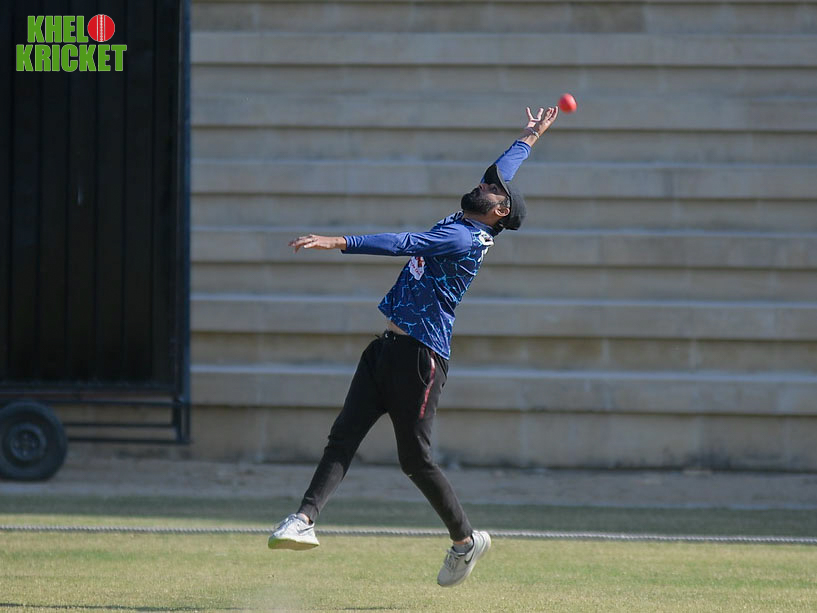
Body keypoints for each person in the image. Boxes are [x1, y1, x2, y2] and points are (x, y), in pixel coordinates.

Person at [269, 105, 560, 587]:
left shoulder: (464, 237)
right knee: (343, 437)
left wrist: (337, 241)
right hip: (386, 350)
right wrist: (530, 137)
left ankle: (466, 542)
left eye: (494, 191)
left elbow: (404, 242)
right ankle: (303, 519)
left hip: (422, 358)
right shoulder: (472, 214)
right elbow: (501, 169)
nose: (486, 184)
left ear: (500, 212)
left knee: (415, 460)